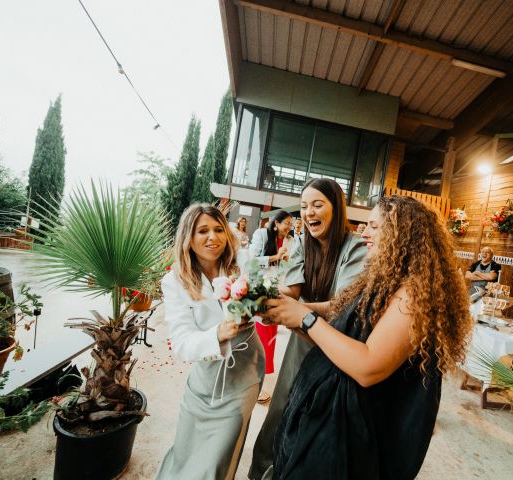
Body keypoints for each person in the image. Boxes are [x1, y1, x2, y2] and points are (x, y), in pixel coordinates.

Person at [261, 195, 473, 479]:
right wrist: (294, 315)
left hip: (354, 436)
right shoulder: (383, 280)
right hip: (328, 422)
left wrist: (306, 319)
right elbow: (339, 339)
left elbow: (368, 367)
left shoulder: (415, 296)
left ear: (401, 234)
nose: (364, 231)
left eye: (374, 226)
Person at [248, 178, 367, 480]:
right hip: (303, 339)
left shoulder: (355, 249)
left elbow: (343, 305)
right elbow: (293, 288)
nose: (308, 212)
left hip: (337, 343)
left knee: (318, 417)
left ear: (336, 208)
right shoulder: (302, 242)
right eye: (303, 207)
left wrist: (301, 311)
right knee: (281, 408)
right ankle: (262, 472)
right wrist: (267, 300)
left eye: (317, 205)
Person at [155, 204, 265, 480]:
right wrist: (216, 334)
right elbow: (181, 342)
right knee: (185, 451)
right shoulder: (174, 280)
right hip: (204, 379)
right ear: (188, 237)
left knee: (219, 457)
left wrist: (259, 309)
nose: (212, 237)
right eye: (202, 230)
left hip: (245, 372)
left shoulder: (242, 262)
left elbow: (265, 309)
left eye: (218, 229)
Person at [248, 210, 294, 403]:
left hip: (273, 291)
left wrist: (283, 261)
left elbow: (282, 269)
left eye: (291, 224)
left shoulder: (289, 241)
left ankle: (258, 381)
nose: (289, 228)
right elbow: (251, 262)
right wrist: (275, 257)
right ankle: (253, 386)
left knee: (270, 338)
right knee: (259, 337)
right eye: (287, 224)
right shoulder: (261, 234)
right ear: (275, 223)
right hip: (257, 292)